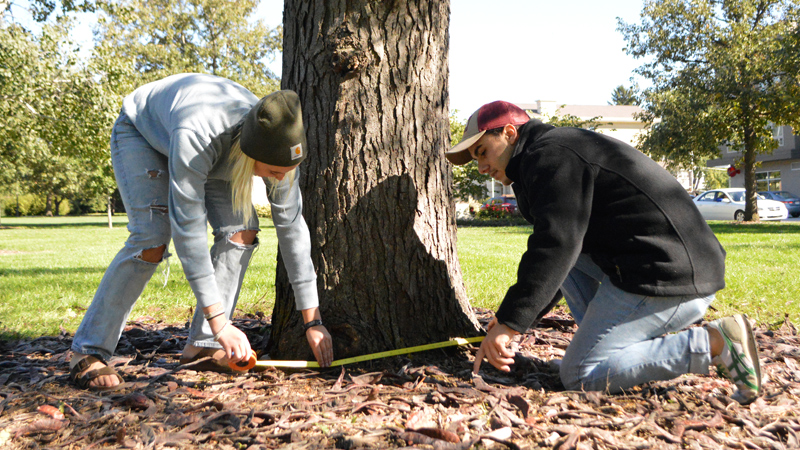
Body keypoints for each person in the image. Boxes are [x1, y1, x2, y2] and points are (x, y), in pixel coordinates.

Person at [447, 101, 761, 404]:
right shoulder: (546, 155)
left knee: (581, 376)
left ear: (510, 133)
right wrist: (514, 320)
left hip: (671, 275)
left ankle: (715, 343)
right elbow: (562, 254)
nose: (481, 166)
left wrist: (509, 323)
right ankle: (605, 351)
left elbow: (557, 244)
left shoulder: (551, 156)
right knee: (567, 256)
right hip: (662, 265)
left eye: (482, 152)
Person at [69, 73, 333, 390]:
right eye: (274, 173)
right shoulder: (198, 134)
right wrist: (222, 322)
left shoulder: (281, 146)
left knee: (243, 231)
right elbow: (188, 231)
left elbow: (292, 229)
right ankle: (87, 351)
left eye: (286, 172)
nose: (280, 179)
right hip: (144, 134)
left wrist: (312, 320)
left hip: (222, 151)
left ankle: (202, 346)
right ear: (252, 154)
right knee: (151, 240)